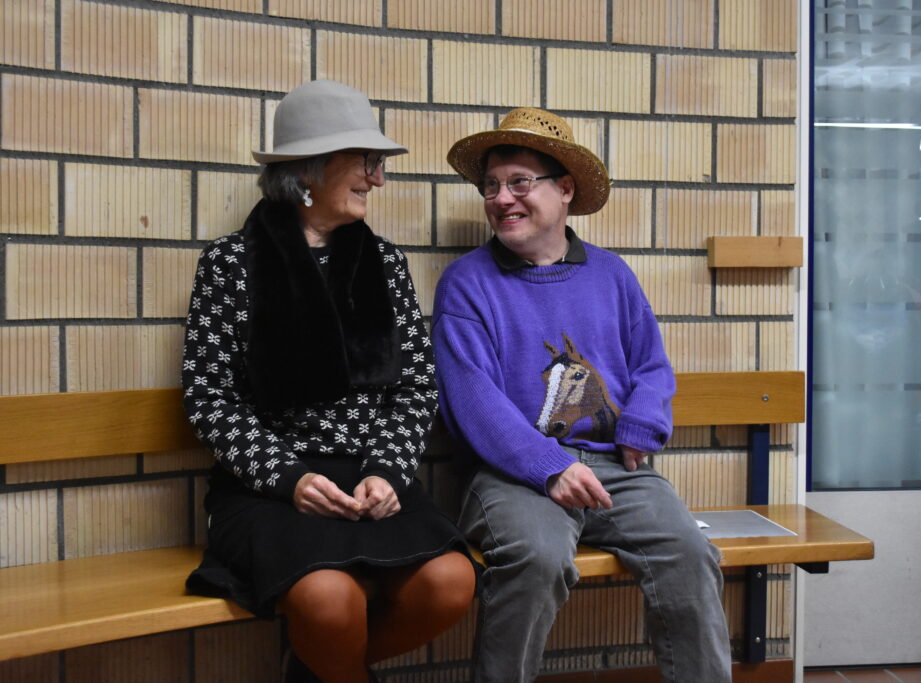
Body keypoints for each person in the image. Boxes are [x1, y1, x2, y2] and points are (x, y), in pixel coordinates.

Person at [182, 80, 476, 683]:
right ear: (308, 169)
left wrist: (388, 471)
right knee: (328, 599)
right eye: (366, 161)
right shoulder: (230, 263)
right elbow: (210, 398)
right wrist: (289, 477)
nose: (378, 179)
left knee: (451, 582)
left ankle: (314, 670)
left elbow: (417, 387)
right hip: (269, 488)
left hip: (370, 478)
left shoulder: (385, 264)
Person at [431, 108, 732, 682]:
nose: (501, 199)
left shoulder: (611, 274)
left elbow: (651, 364)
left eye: (520, 182)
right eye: (491, 186)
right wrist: (549, 467)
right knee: (536, 558)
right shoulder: (467, 283)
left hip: (616, 467)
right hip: (512, 473)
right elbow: (471, 398)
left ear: (565, 189)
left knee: (691, 553)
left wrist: (641, 423)